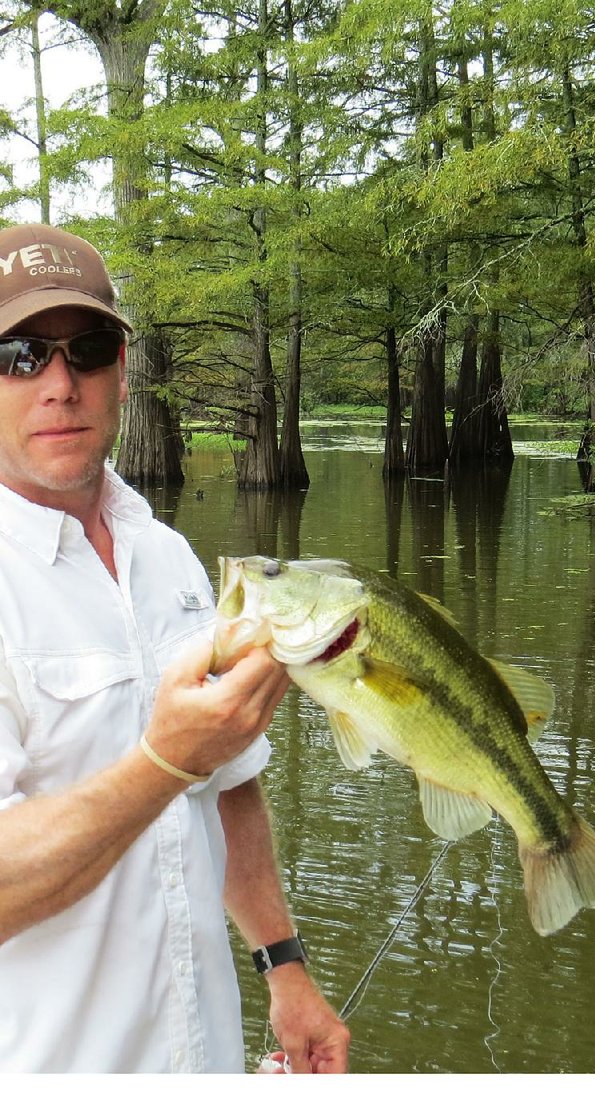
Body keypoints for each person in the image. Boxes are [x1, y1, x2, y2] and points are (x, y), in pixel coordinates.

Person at [0, 222, 350, 1073]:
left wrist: (285, 966)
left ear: (122, 373)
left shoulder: (168, 555)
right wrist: (165, 760)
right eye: (19, 355)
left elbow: (229, 784)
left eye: (85, 351)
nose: (59, 384)